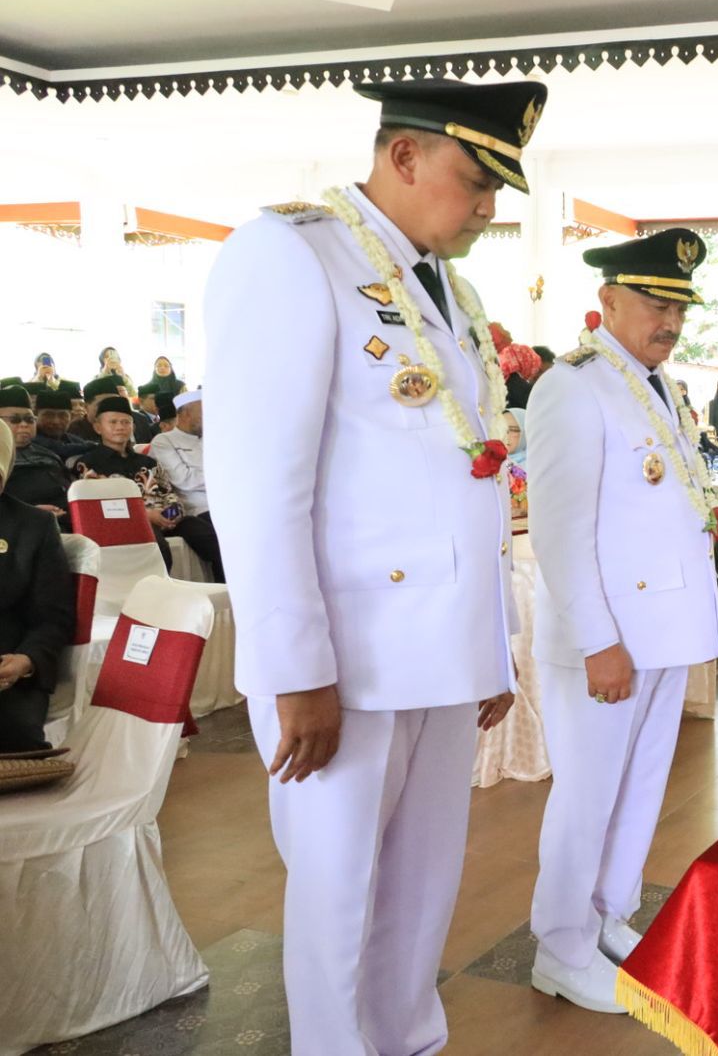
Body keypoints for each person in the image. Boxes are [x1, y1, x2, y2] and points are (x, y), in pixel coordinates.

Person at [203, 77, 537, 1055]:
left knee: (423, 886)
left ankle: (408, 1042)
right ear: (402, 156)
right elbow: (260, 484)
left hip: (442, 647)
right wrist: (293, 666)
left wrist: (493, 645)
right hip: (345, 656)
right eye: (476, 181)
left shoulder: (446, 288)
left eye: (497, 189)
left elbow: (467, 471)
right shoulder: (293, 253)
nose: (488, 208)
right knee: (338, 895)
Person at [524, 228, 718, 1014]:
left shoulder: (653, 382)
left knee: (638, 788)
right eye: (653, 302)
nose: (669, 321)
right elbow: (560, 529)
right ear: (607, 300)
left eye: (679, 308)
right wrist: (597, 640)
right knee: (587, 796)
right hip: (606, 639)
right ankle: (560, 946)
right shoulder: (573, 386)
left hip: (661, 629)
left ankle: (607, 915)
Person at [0, 422, 74, 753]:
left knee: (15, 737)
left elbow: (52, 616)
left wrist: (26, 660)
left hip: (6, 665)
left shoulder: (32, 526)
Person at [72, 397, 186, 567]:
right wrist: (145, 515)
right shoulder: (88, 464)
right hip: (125, 522)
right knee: (156, 544)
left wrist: (171, 514)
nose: (120, 427)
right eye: (113, 422)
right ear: (98, 427)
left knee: (202, 529)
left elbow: (169, 493)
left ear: (133, 427)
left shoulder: (148, 462)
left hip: (163, 518)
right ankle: (160, 583)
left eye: (126, 422)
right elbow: (97, 507)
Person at [148, 390, 225, 581]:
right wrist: (223, 478)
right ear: (186, 413)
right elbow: (184, 480)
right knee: (225, 542)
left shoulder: (216, 439)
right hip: (196, 508)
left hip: (229, 505)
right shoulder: (164, 441)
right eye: (204, 412)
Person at [0, 385, 70, 522]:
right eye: (15, 419)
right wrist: (30, 513)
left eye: (29, 419)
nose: (24, 424)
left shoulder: (50, 456)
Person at [30, 390, 93, 461]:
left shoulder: (74, 440)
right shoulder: (28, 440)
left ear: (71, 416)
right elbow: (60, 448)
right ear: (35, 414)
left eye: (62, 415)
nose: (56, 421)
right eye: (49, 415)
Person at [504, 407, 529, 519]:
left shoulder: (537, 465)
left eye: (513, 430)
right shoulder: (491, 463)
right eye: (501, 428)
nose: (505, 435)